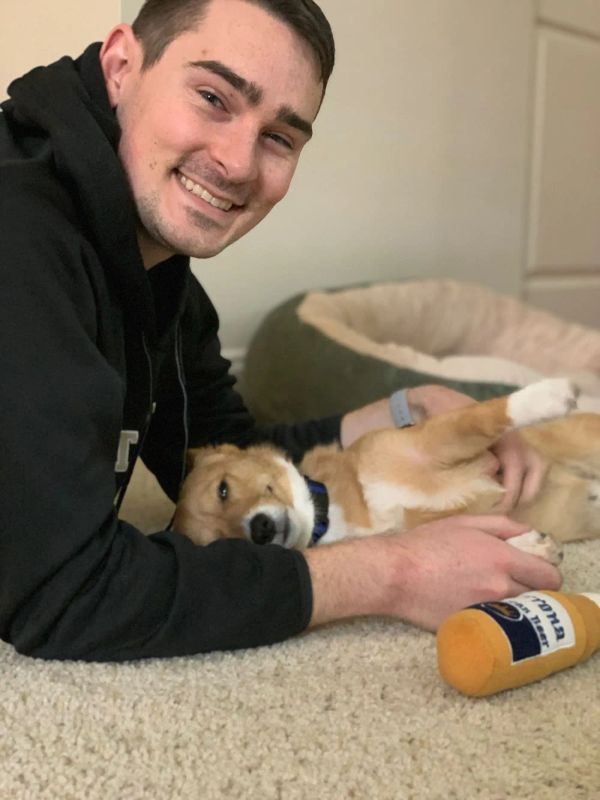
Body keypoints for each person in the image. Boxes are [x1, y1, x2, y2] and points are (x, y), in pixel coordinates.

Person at [0, 0, 561, 662]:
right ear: (122, 65)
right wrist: (395, 572)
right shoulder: (21, 235)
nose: (238, 163)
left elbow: (230, 454)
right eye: (214, 96)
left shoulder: (158, 275)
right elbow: (63, 595)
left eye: (280, 138)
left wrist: (408, 408)